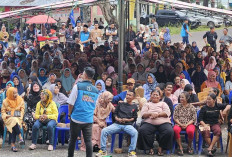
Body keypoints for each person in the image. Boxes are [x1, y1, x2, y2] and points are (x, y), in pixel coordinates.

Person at [67, 67, 99, 157]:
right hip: (88, 119)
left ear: (84, 75)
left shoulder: (78, 86)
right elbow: (95, 105)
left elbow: (71, 103)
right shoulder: (96, 90)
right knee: (88, 141)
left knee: (72, 140)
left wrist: (69, 114)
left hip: (76, 118)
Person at [96, 90, 138, 157]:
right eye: (127, 95)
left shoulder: (134, 106)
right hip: (117, 124)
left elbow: (134, 117)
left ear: (133, 97)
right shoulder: (120, 104)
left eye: (130, 95)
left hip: (128, 125)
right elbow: (115, 114)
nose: (128, 96)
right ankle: (103, 150)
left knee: (135, 132)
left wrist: (127, 120)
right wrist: (117, 119)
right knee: (104, 131)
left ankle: (131, 151)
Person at [138, 89, 174, 155]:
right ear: (150, 96)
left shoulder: (163, 104)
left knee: (169, 131)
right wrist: (150, 114)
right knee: (142, 130)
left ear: (160, 97)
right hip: (149, 122)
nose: (155, 96)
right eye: (153, 94)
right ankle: (149, 148)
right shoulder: (147, 104)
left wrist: (158, 115)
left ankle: (161, 147)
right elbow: (143, 115)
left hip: (163, 122)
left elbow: (167, 113)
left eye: (157, 95)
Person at [1, 87, 25, 152]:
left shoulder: (20, 99)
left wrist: (21, 116)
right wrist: (7, 115)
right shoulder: (5, 101)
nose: (15, 94)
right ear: (10, 94)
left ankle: (13, 144)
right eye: (13, 93)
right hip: (8, 118)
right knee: (13, 121)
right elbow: (3, 112)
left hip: (18, 117)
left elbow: (22, 110)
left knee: (14, 122)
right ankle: (20, 137)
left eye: (16, 93)